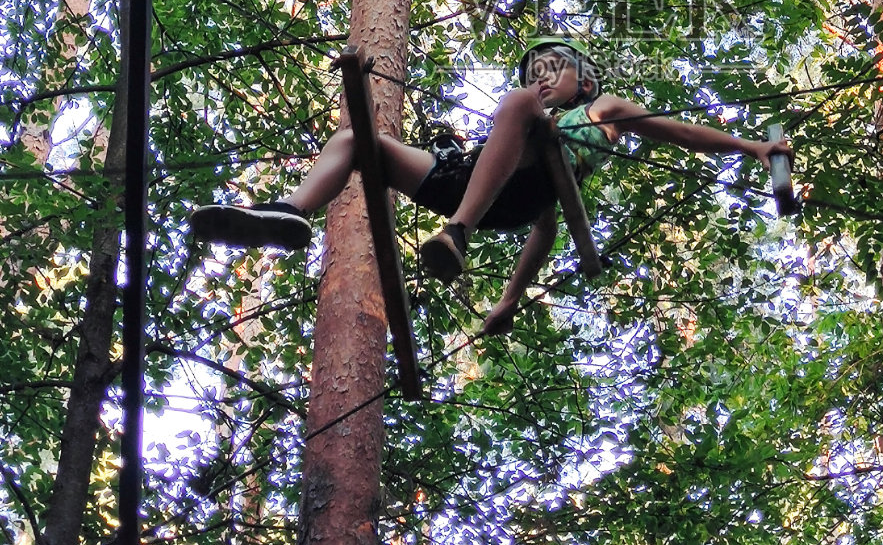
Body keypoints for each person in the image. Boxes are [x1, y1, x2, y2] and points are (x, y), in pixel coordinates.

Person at [191, 37, 792, 337]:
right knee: (359, 141)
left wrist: (753, 147)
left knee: (514, 110)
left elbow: (678, 133)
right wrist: (507, 300)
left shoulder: (603, 111)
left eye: (554, 69)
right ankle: (289, 212)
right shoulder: (522, 121)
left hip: (511, 199)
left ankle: (456, 235)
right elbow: (545, 234)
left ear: (586, 84)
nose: (541, 78)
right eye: (534, 72)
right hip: (469, 180)